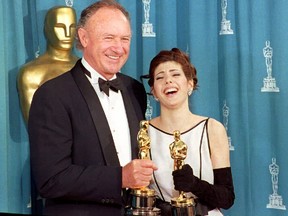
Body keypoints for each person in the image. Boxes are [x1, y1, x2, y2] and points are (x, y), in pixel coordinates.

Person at [28, 1, 157, 215]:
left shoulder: (134, 89)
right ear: (84, 38)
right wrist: (120, 178)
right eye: (109, 38)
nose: (119, 48)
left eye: (125, 39)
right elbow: (51, 179)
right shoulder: (52, 95)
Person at [147, 48, 235, 215]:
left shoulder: (212, 128)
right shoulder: (144, 132)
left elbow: (227, 198)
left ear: (190, 84)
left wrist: (194, 184)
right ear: (154, 92)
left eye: (175, 74)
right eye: (160, 77)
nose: (168, 81)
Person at [17, 6, 79, 123]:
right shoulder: (31, 73)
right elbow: (36, 126)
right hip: (53, 140)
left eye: (72, 27)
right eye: (60, 27)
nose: (67, 34)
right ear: (47, 29)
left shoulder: (88, 68)